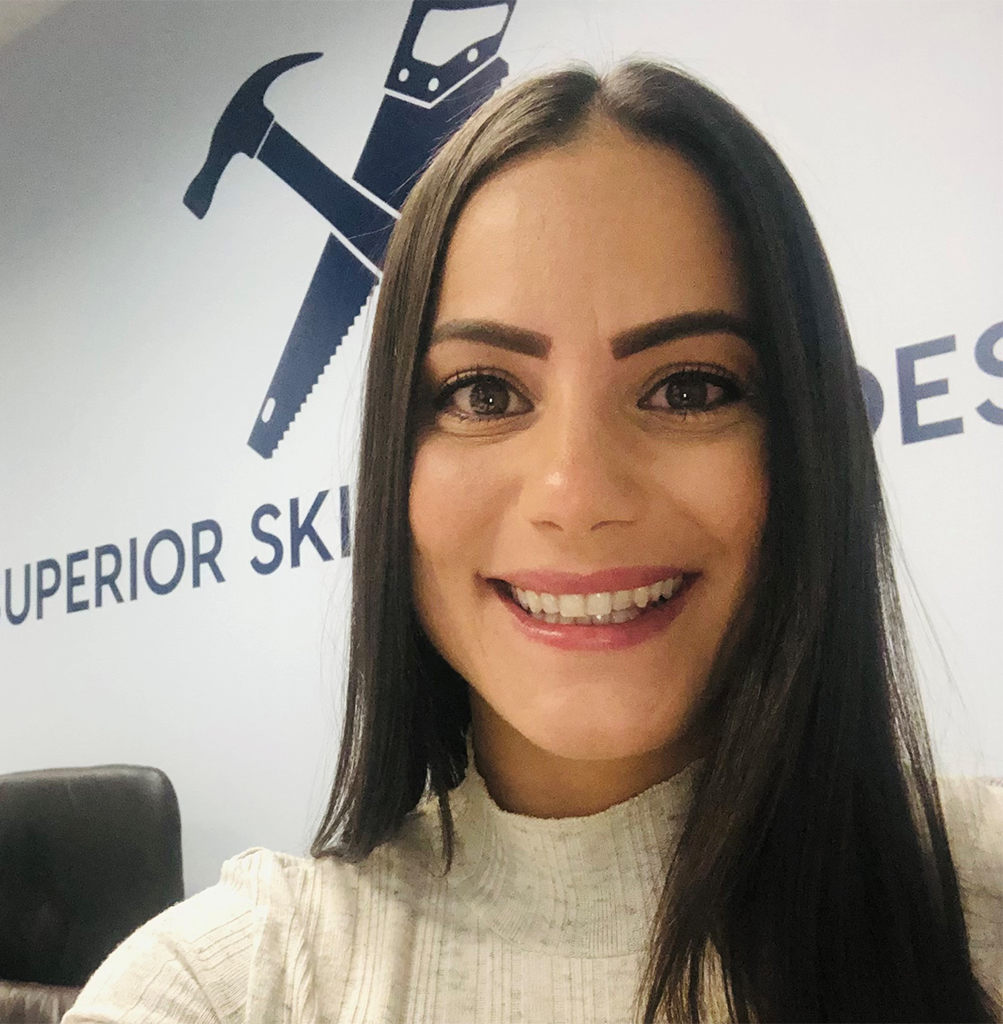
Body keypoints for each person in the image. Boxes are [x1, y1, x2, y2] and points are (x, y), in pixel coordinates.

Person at [64, 59, 1001, 1023]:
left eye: (688, 388)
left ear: (804, 445)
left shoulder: (985, 896)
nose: (575, 496)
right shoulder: (224, 986)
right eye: (483, 394)